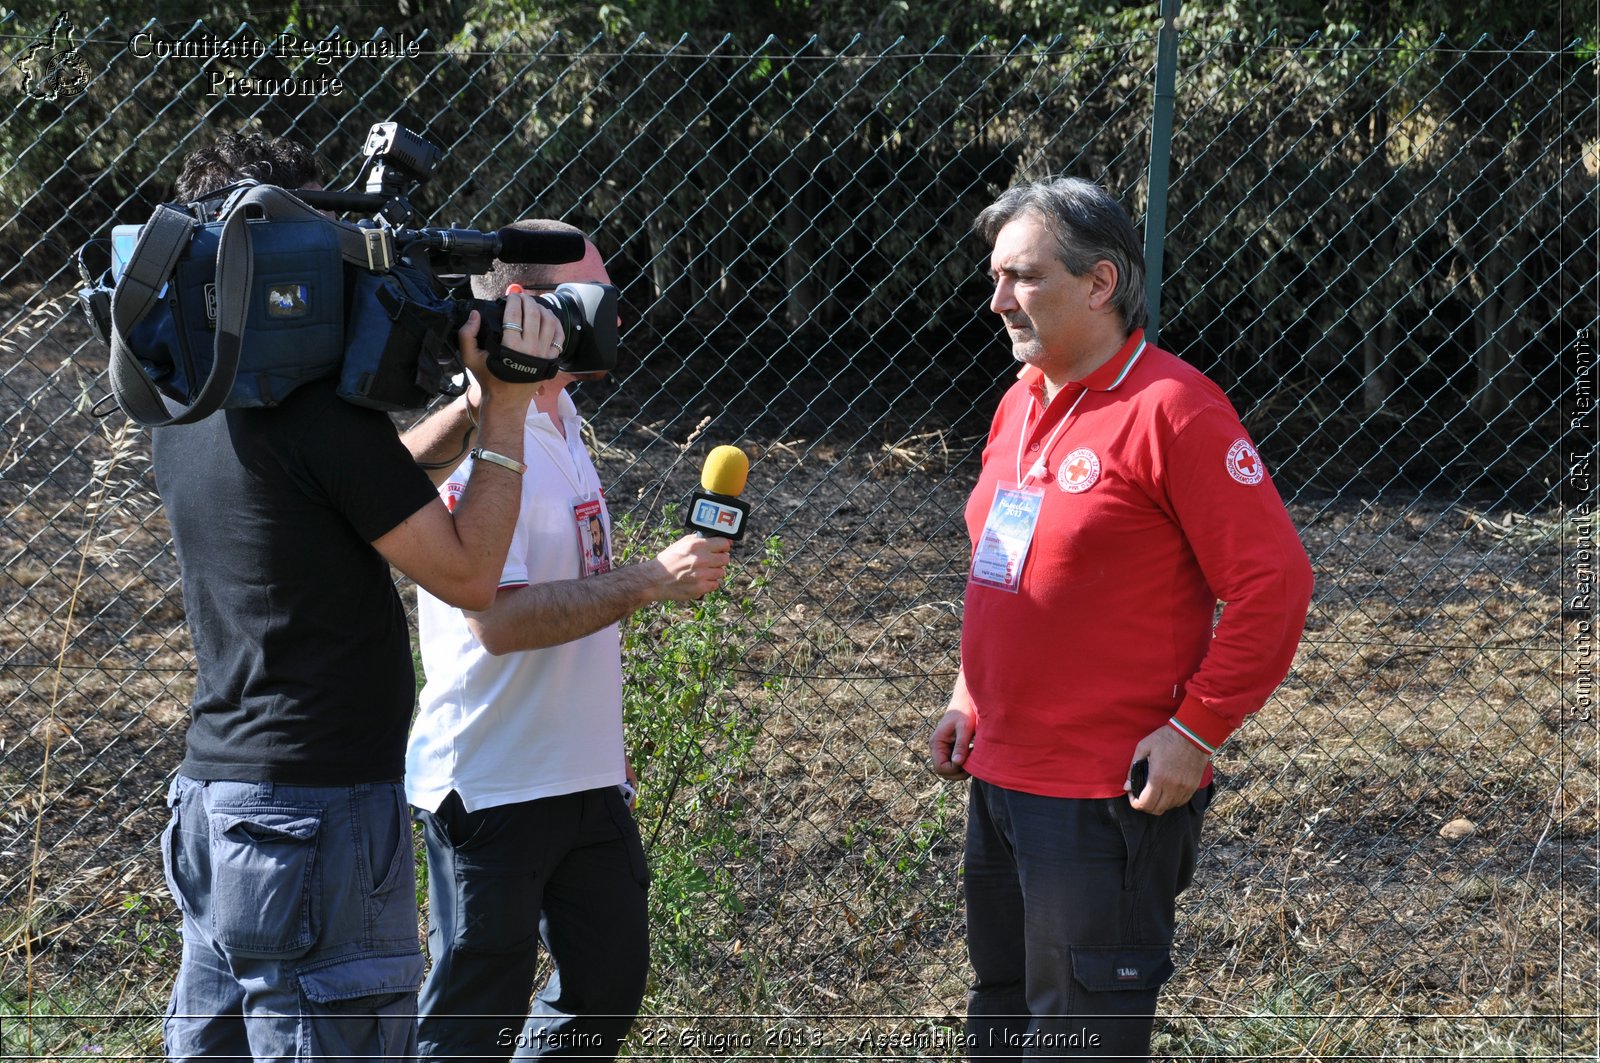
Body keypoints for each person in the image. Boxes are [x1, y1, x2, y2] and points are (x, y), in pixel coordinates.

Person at [153, 134, 560, 1060]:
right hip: (316, 820)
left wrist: (469, 404)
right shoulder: (322, 419)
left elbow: (351, 496)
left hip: (218, 804)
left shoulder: (191, 400)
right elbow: (466, 574)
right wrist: (503, 409)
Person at [928, 177, 1314, 1061]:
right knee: (1004, 1013)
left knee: (1079, 1039)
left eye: (1021, 277)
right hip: (1001, 779)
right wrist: (968, 696)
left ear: (1099, 284)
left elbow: (1275, 583)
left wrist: (1196, 730)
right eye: (995, 277)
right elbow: (999, 568)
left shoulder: (1175, 410)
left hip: (1105, 795)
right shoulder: (1020, 402)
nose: (996, 302)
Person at [401, 219, 734, 1062]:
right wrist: (649, 580)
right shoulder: (487, 443)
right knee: (472, 1024)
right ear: (524, 306)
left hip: (584, 779)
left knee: (605, 992)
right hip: (491, 781)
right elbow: (501, 621)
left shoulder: (564, 413)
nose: (611, 312)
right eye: (591, 295)